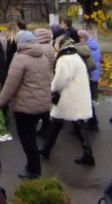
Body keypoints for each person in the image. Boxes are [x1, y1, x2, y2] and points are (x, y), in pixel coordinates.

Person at [0, 28, 53, 179]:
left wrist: (0, 102)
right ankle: (33, 166)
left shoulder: (20, 59)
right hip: (42, 103)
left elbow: (10, 84)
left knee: (28, 139)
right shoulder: (43, 56)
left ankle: (34, 169)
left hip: (25, 106)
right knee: (31, 135)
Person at [40, 35, 95, 165]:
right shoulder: (76, 57)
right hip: (77, 95)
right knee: (62, 122)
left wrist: (51, 88)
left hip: (68, 97)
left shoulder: (64, 59)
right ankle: (47, 149)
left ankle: (47, 149)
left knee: (61, 122)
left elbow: (60, 81)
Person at [77, 29, 102, 132]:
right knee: (89, 99)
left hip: (90, 76)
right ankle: (92, 122)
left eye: (79, 38)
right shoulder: (94, 45)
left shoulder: (86, 49)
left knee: (87, 100)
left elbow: (89, 64)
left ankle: (92, 122)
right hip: (94, 76)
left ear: (82, 38)